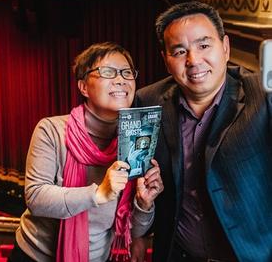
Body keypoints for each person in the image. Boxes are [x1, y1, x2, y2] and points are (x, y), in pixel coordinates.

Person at [133, 1, 272, 262]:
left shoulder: (262, 95)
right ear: (166, 60)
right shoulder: (148, 101)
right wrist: (138, 234)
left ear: (226, 48)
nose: (193, 60)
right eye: (179, 51)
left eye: (204, 45)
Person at [9, 42, 164, 262]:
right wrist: (99, 194)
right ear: (83, 87)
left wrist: (145, 203)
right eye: (108, 72)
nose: (121, 79)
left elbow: (135, 229)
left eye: (127, 72)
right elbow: (36, 197)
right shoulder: (51, 130)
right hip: (35, 256)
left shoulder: (137, 139)